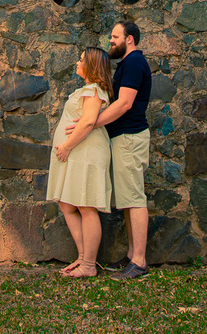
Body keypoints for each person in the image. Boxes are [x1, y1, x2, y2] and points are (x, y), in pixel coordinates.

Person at [68, 20, 152, 280]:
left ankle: (139, 261)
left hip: (130, 137)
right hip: (122, 138)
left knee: (134, 198)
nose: (111, 41)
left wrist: (92, 123)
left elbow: (125, 104)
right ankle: (131, 256)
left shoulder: (135, 62)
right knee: (127, 199)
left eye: (115, 37)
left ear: (130, 39)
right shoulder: (126, 65)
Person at [47, 46, 115, 278]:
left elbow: (87, 123)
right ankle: (84, 257)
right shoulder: (87, 89)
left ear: (92, 66)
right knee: (67, 204)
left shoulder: (95, 90)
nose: (77, 62)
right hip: (80, 152)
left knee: (86, 206)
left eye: (81, 59)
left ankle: (88, 266)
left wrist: (66, 146)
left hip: (87, 152)